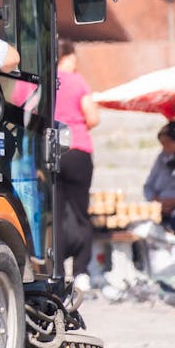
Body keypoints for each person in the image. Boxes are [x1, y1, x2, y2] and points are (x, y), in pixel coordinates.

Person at [51, 40, 100, 291]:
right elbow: (93, 117)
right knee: (81, 212)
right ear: (68, 57)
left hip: (51, 151)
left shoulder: (44, 79)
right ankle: (81, 271)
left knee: (55, 213)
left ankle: (56, 271)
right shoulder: (76, 80)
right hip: (78, 150)